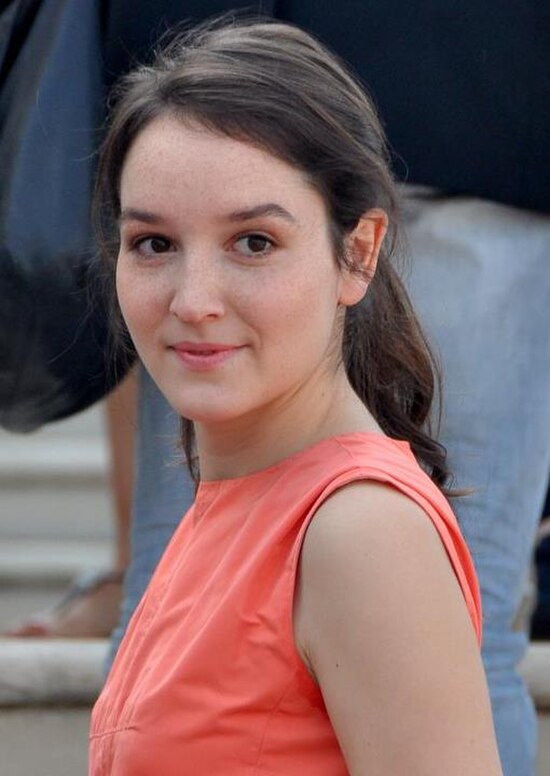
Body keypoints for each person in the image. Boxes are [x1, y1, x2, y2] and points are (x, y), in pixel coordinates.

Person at [89, 19, 502, 774]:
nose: (194, 299)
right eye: (154, 244)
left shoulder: (361, 532)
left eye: (254, 242)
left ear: (359, 252)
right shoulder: (232, 500)